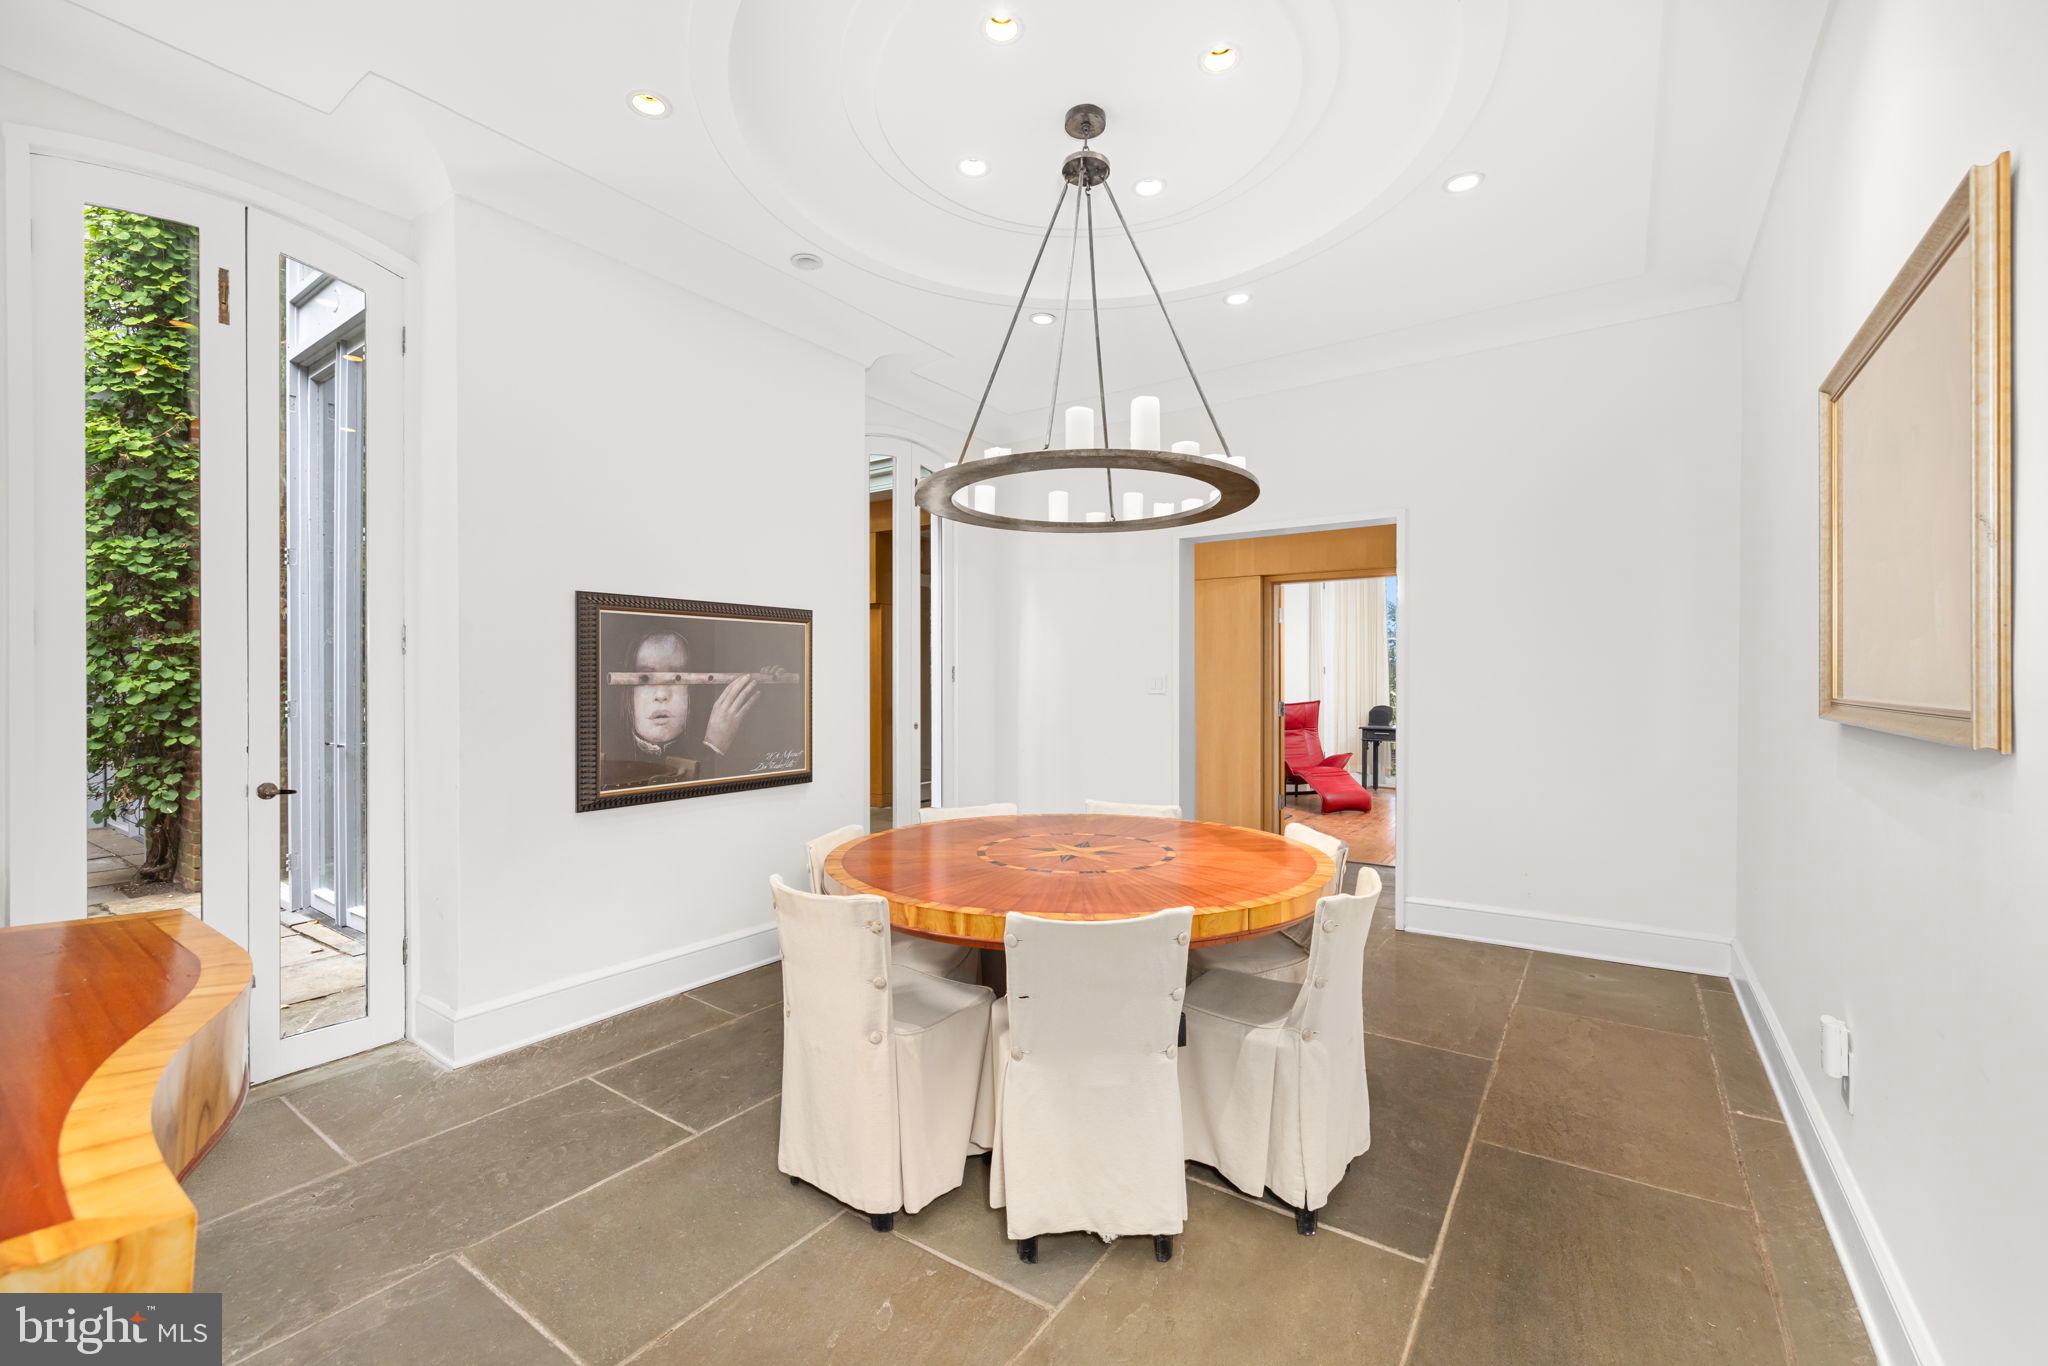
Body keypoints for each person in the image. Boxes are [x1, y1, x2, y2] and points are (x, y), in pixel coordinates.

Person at [599, 629, 762, 791]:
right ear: (628, 692)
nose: (661, 695)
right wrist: (713, 748)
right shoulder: (605, 754)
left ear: (692, 691)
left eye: (677, 678)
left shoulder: (741, 745)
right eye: (645, 678)